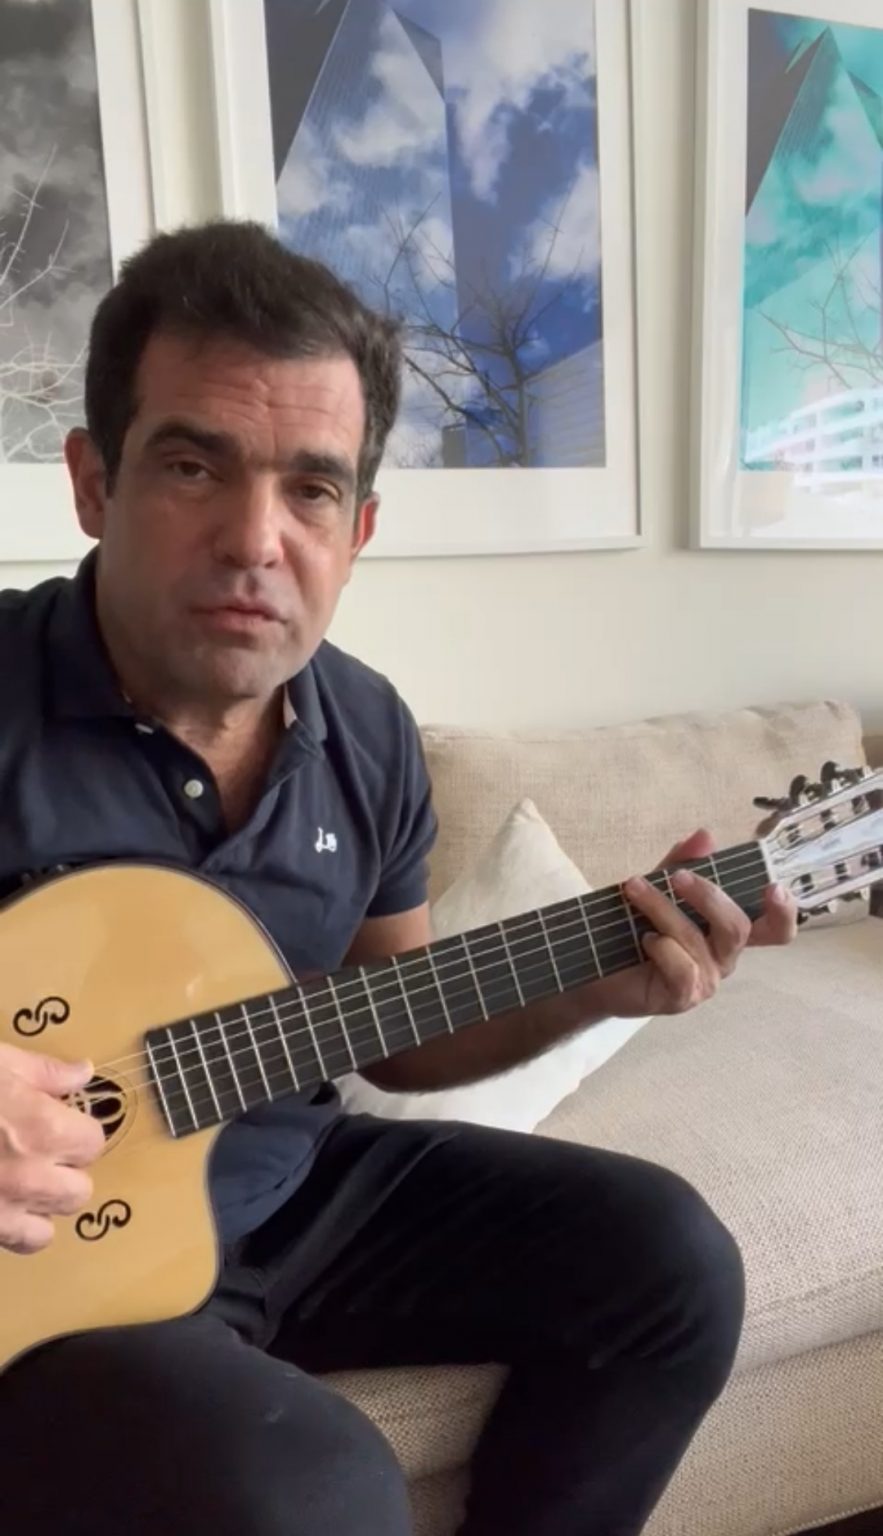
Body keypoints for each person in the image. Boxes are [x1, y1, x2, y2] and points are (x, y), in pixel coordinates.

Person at [0, 221, 797, 1536]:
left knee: (671, 1263)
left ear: (359, 527)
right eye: (194, 466)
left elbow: (398, 1023)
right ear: (94, 482)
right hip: (56, 1269)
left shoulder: (366, 729)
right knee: (319, 1493)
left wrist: (594, 982)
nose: (256, 538)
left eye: (312, 490)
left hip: (294, 1188)